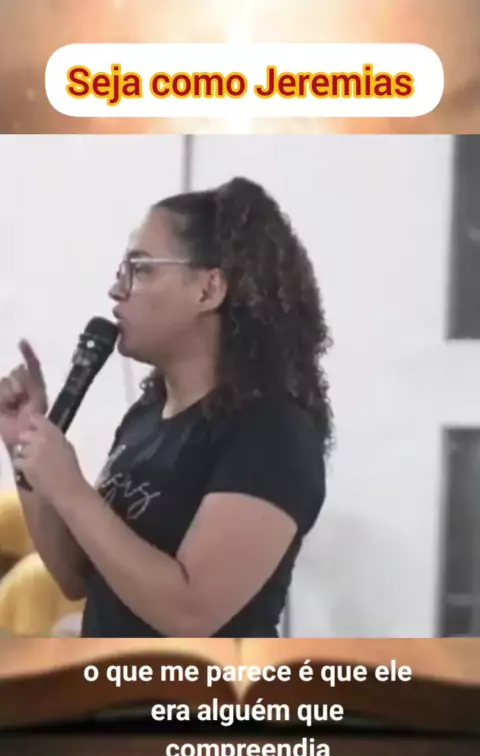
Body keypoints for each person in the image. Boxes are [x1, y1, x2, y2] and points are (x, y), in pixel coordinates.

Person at [0, 176, 333, 638]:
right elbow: (75, 576)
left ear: (208, 289)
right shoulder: (145, 417)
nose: (116, 290)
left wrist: (72, 489)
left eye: (140, 270)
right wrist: (27, 447)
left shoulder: (272, 433)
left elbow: (190, 613)